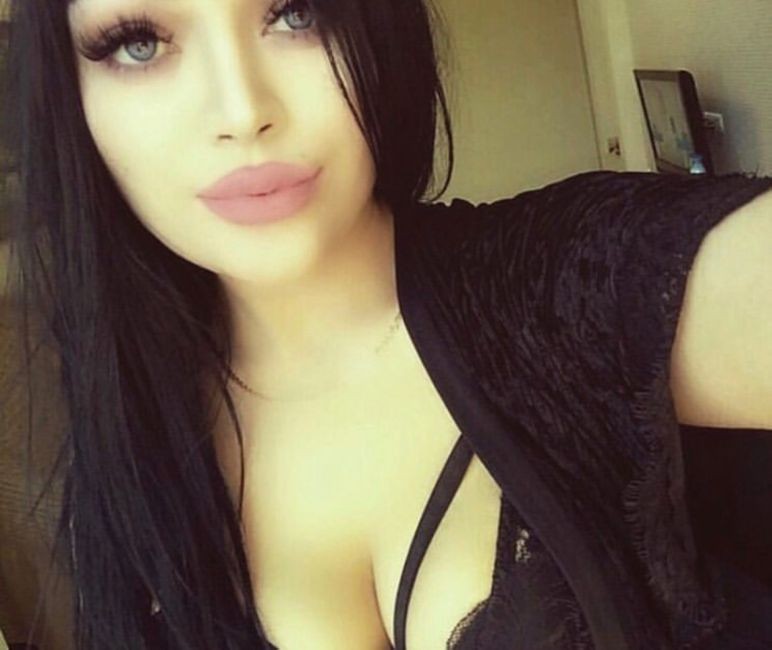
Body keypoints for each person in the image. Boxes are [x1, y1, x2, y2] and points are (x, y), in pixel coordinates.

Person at [0, 0, 770, 649]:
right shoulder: (122, 434)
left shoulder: (572, 279)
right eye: (138, 43)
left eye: (297, 13)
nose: (241, 111)